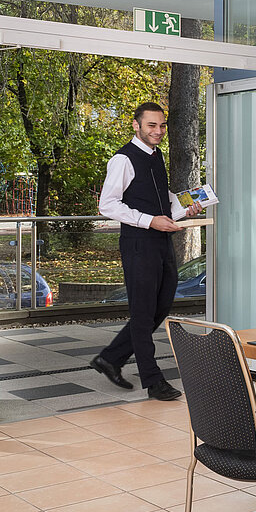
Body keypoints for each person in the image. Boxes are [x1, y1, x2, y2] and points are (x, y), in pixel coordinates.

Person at [89, 102, 201, 401]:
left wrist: (183, 208)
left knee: (160, 307)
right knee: (142, 314)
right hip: (138, 243)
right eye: (152, 125)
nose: (158, 131)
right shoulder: (122, 159)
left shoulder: (156, 155)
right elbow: (107, 204)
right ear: (136, 125)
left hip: (160, 240)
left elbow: (157, 197)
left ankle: (110, 358)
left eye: (162, 125)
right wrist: (149, 220)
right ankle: (153, 381)